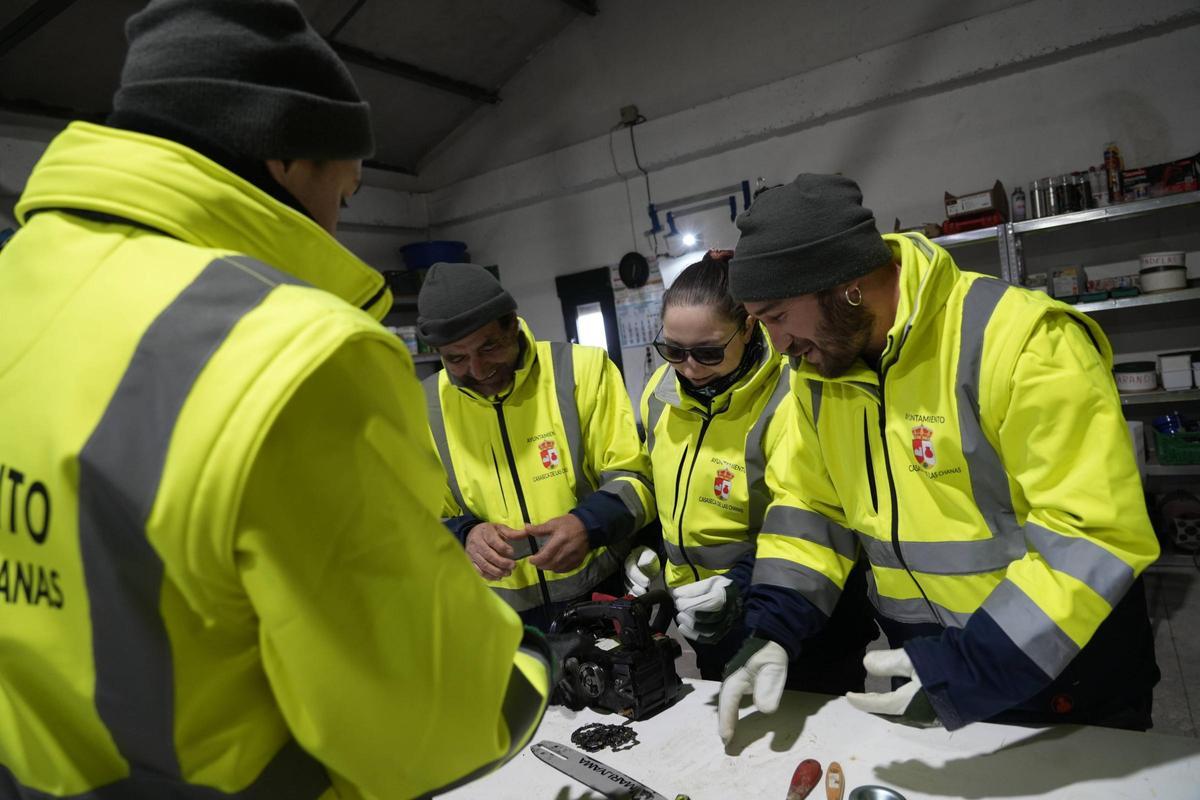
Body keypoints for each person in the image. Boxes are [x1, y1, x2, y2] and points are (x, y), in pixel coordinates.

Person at [0, 1, 556, 797]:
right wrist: (529, 659)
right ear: (287, 157)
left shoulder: (17, 288)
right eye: (347, 193)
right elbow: (429, 726)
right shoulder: (286, 352)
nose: (335, 228)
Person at [716, 172, 1160, 743]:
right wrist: (772, 628)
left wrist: (974, 668)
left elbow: (1092, 533)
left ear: (844, 285)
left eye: (776, 316)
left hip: (1063, 677)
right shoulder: (819, 372)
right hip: (929, 671)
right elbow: (810, 509)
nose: (776, 344)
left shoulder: (1019, 340)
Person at [626, 250, 877, 693]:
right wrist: (645, 549)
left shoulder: (790, 394)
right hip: (703, 621)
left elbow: (811, 516)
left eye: (707, 352)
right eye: (673, 349)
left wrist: (740, 588)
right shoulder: (660, 393)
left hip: (801, 618)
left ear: (749, 326)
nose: (688, 368)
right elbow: (654, 480)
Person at [419, 263, 655, 630]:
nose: (478, 370)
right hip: (500, 621)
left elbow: (637, 481)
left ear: (512, 324)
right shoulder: (424, 408)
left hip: (600, 599)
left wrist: (586, 525)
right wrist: (465, 534)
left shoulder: (581, 371)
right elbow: (421, 516)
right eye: (457, 358)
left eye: (489, 347)